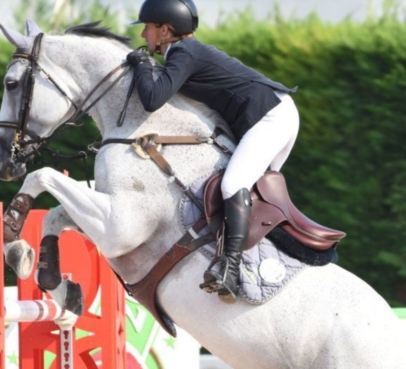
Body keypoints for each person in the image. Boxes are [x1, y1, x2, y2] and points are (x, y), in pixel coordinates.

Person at [126, 0, 300, 301]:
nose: (143, 36)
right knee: (247, 193)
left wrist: (141, 66)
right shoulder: (186, 52)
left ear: (165, 30)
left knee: (234, 184)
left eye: (148, 28)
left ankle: (229, 269)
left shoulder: (183, 52)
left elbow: (152, 98)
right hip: (273, 113)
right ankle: (255, 264)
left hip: (271, 116)